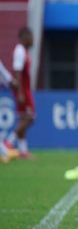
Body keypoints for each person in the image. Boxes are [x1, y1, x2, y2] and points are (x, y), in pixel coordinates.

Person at [4, 27, 35, 159]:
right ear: (24, 37)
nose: (32, 39)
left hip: (24, 89)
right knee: (30, 118)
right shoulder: (20, 51)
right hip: (22, 89)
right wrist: (21, 92)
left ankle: (22, 150)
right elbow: (17, 71)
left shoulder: (24, 51)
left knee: (24, 118)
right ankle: (7, 144)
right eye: (31, 36)